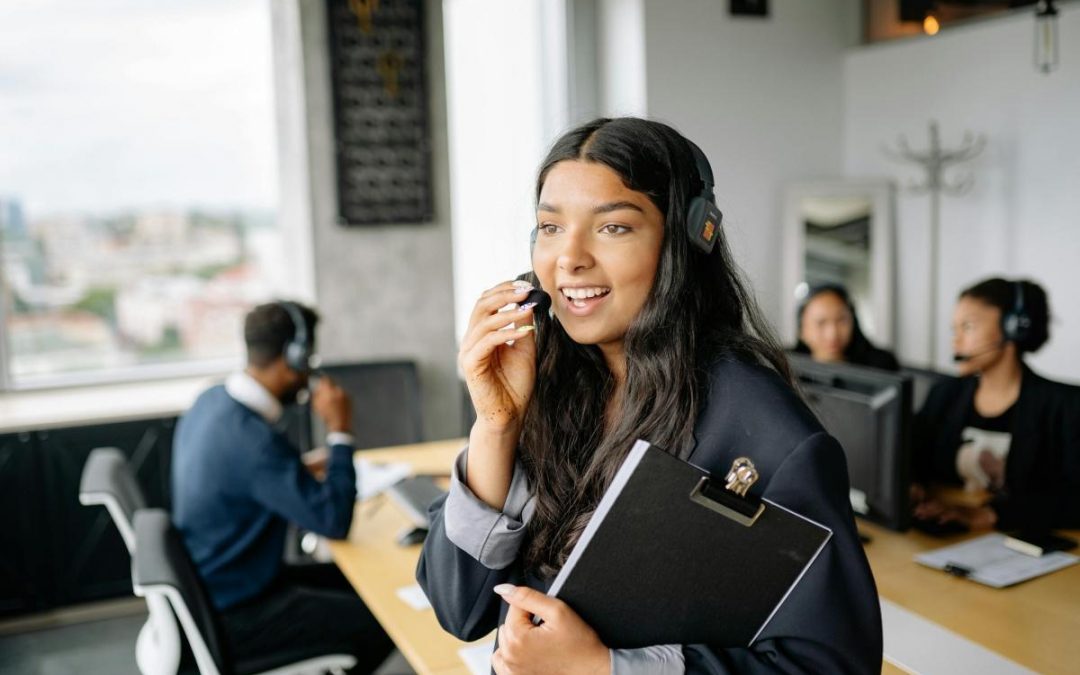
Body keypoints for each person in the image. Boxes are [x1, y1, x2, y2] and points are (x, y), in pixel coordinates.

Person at [416, 118, 881, 673]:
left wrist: (603, 668)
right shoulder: (550, 379)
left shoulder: (765, 429)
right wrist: (496, 426)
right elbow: (457, 608)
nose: (570, 258)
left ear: (685, 241)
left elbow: (831, 664)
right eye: (550, 227)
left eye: (612, 228)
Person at [172, 301, 393, 673]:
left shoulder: (211, 400)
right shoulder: (255, 443)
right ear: (295, 357)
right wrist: (340, 430)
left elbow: (240, 476)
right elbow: (334, 521)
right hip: (238, 608)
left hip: (215, 583)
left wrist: (295, 468)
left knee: (366, 588)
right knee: (384, 619)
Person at [911, 278, 1080, 531]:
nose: (955, 342)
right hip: (950, 536)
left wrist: (989, 514)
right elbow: (911, 457)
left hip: (1021, 542)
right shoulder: (944, 395)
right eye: (954, 330)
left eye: (967, 327)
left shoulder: (1065, 406)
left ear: (1013, 327)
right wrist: (912, 485)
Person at [793, 283, 899, 370]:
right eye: (821, 323)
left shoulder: (881, 365)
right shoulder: (788, 366)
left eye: (841, 320)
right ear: (802, 331)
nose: (832, 334)